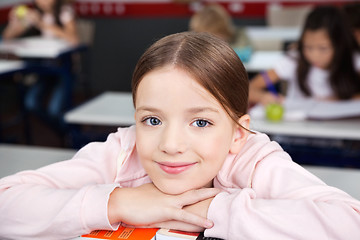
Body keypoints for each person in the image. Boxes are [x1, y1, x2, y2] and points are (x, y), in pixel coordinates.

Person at [1, 32, 360, 240]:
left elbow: (348, 222)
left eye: (201, 123)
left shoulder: (251, 158)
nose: (171, 145)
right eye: (152, 120)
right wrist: (120, 203)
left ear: (238, 132)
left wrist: (206, 209)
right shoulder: (124, 150)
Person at [248, 5, 360, 106]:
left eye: (323, 48)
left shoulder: (353, 61)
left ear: (339, 45)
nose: (314, 55)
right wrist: (263, 96)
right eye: (308, 47)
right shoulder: (294, 60)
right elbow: (250, 89)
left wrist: (338, 100)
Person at [2, 0, 79, 141]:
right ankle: (66, 133)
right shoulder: (36, 14)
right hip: (45, 71)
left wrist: (42, 24)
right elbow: (7, 36)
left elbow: (74, 39)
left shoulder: (64, 12)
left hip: (64, 70)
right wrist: (14, 22)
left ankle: (70, 135)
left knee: (54, 110)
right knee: (30, 103)